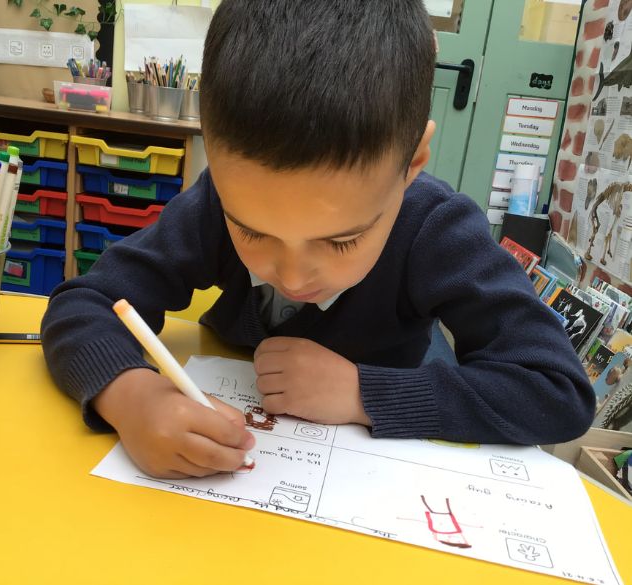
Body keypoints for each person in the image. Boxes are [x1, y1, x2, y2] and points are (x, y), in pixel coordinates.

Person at [41, 0, 595, 479]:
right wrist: (132, 395)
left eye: (342, 241)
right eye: (252, 231)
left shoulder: (436, 228)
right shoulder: (218, 202)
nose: (292, 275)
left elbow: (556, 390)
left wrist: (363, 394)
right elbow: (83, 303)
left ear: (412, 164)